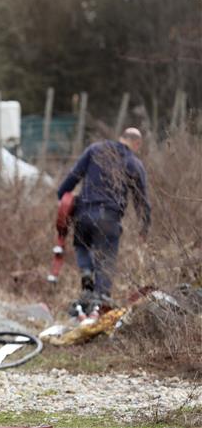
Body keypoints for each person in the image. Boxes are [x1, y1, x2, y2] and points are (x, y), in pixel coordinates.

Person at [57, 127, 151, 305]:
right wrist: (144, 227)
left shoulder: (95, 149)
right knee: (106, 257)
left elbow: (73, 176)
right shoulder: (134, 163)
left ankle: (86, 272)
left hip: (83, 212)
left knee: (81, 245)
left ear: (121, 137)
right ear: (137, 144)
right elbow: (141, 201)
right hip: (109, 217)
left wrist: (62, 195)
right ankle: (101, 297)